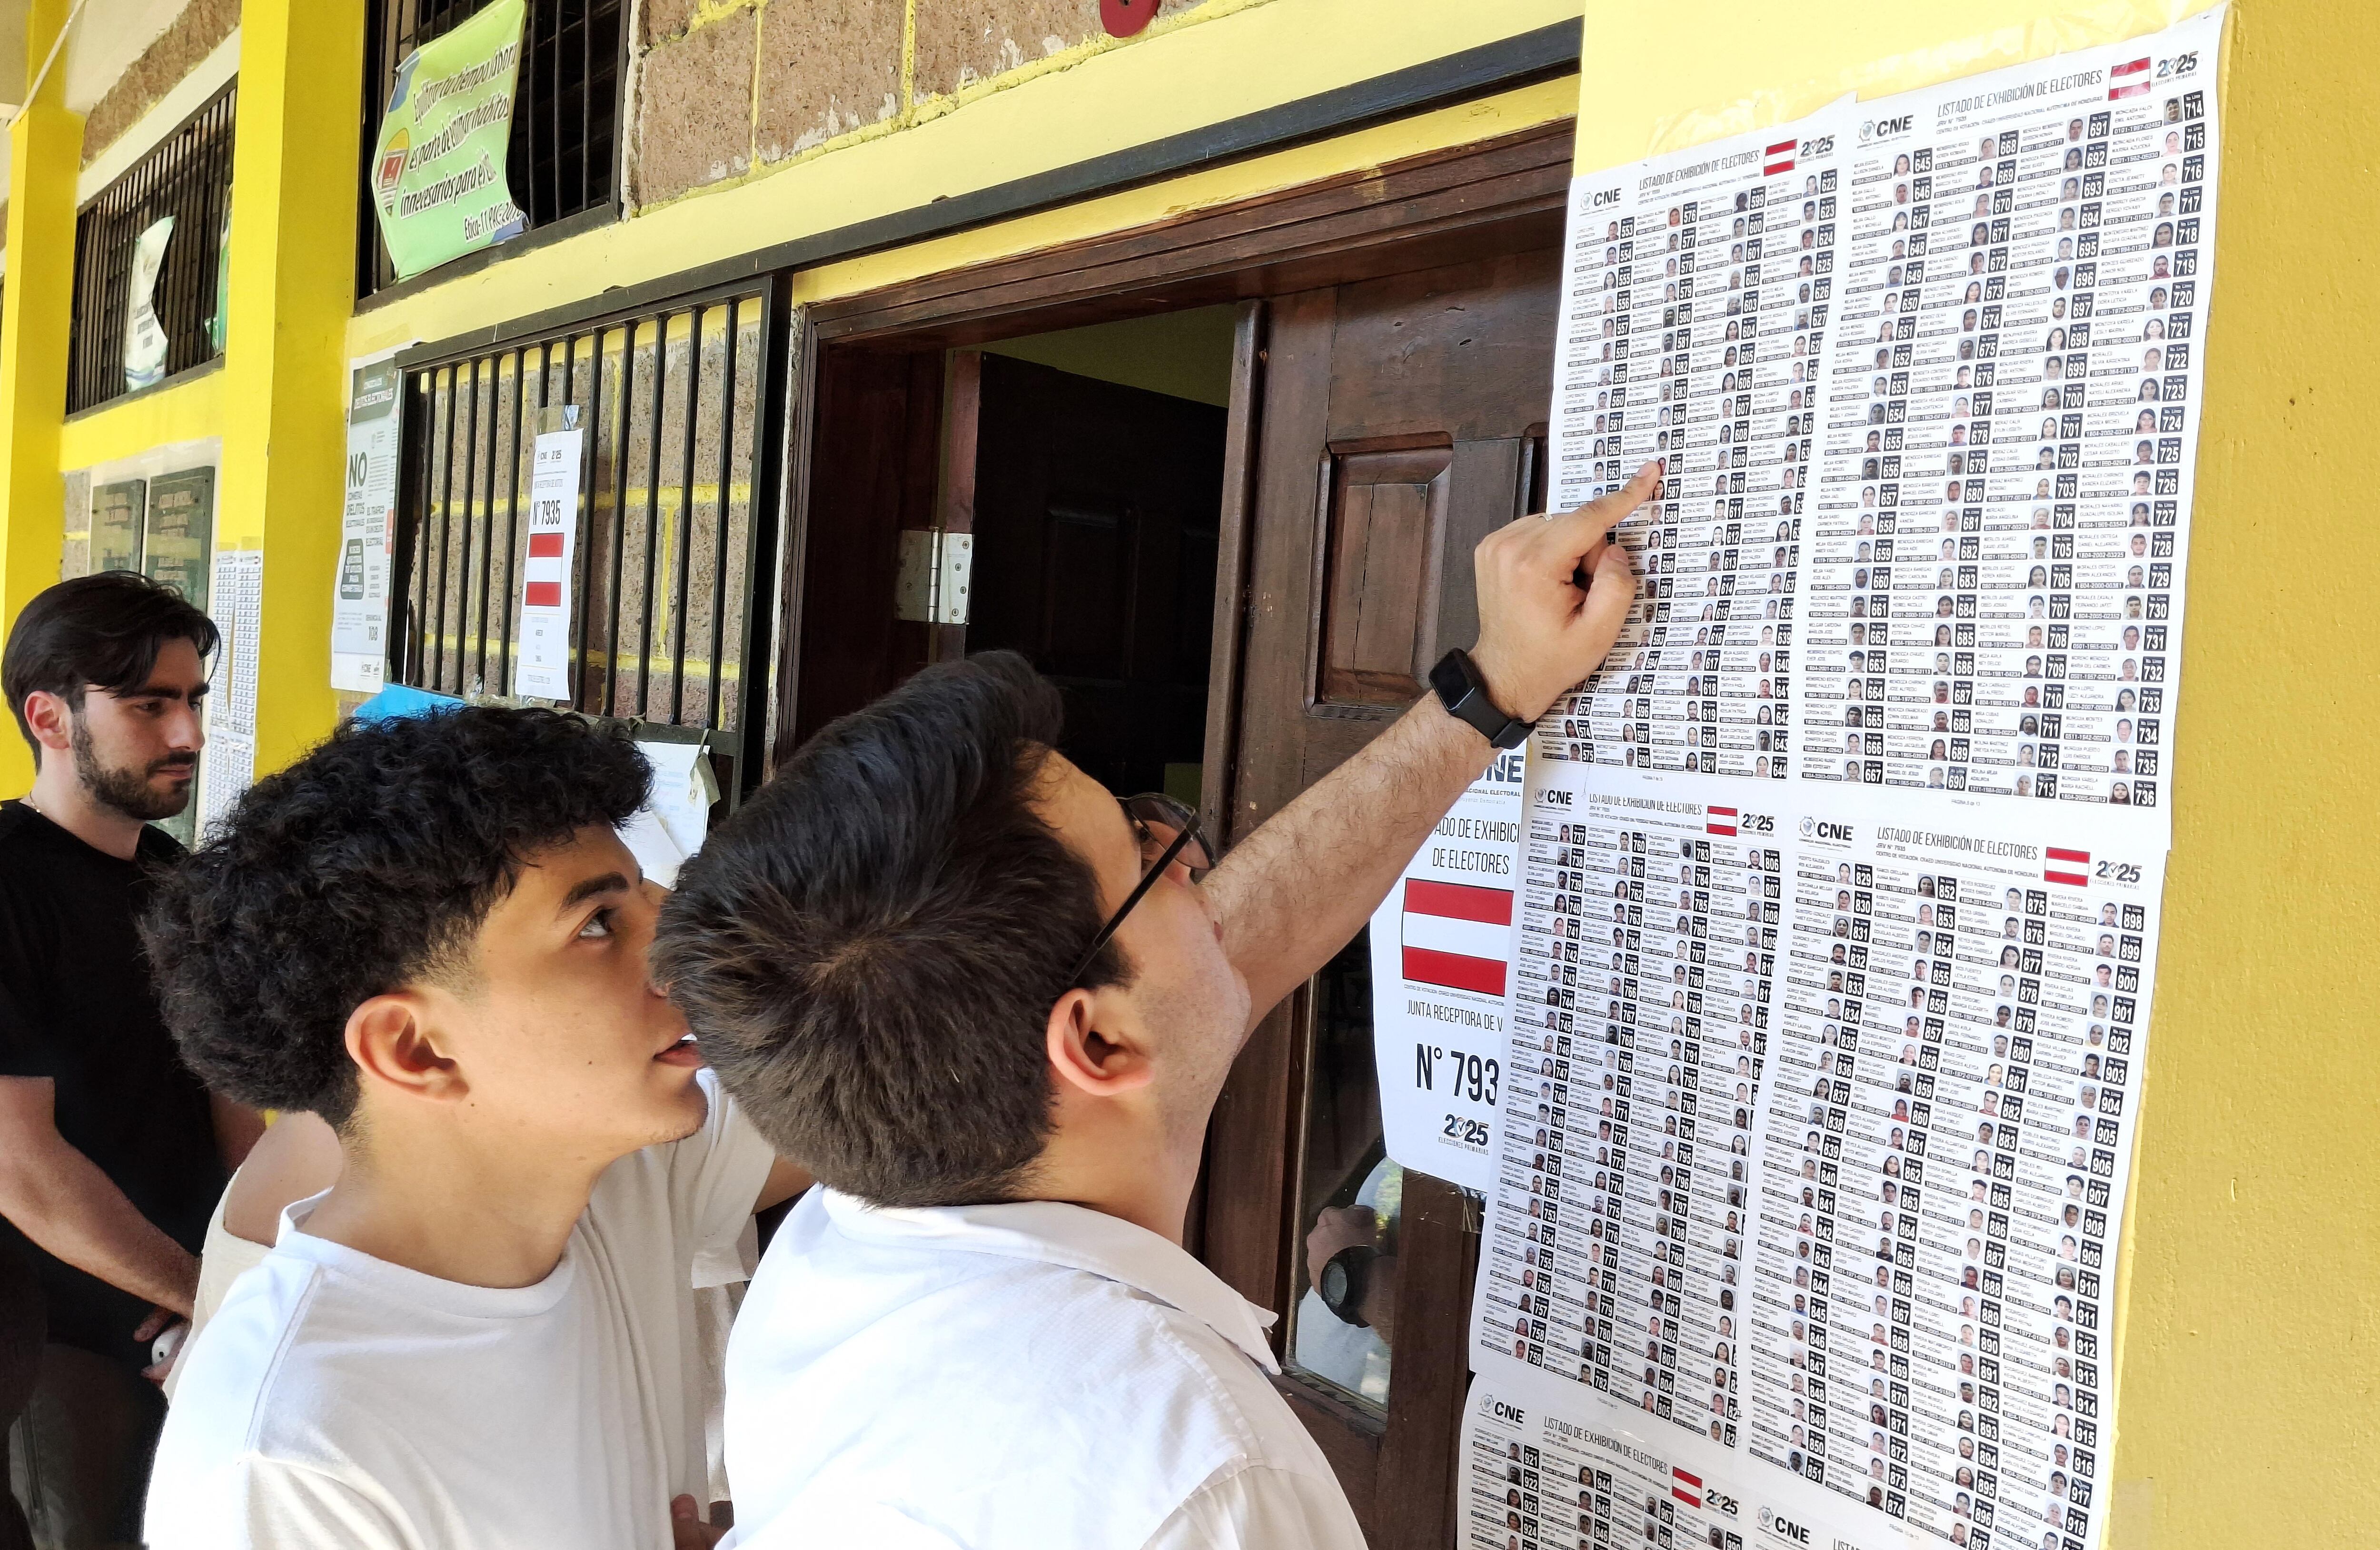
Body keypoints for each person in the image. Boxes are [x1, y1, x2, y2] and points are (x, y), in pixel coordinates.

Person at [657, 465, 1658, 1547]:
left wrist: (1490, 689)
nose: (1188, 855)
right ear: (1092, 1039)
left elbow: (1225, 943)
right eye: (1143, 857)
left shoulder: (841, 1248)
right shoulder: (1195, 1484)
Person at [139, 708, 808, 1548]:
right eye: (598, 925)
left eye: (649, 896)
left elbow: (892, 1090)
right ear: (415, 1048)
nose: (676, 952)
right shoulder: (291, 1460)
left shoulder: (625, 1179)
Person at [0, 573, 260, 1542]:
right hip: (62, 1341)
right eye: (150, 704)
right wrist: (203, 1289)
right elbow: (21, 1167)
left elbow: (238, 1114)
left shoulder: (186, 888)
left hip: (205, 1317)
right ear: (50, 717)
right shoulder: (9, 888)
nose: (187, 733)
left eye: (192, 699)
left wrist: (248, 1282)